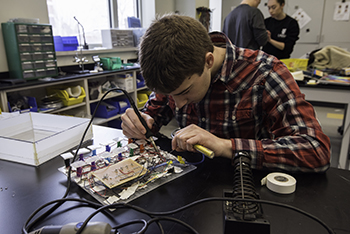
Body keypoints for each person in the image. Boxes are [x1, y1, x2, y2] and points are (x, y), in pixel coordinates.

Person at [121, 14, 330, 173]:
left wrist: (225, 146)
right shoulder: (177, 76)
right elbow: (154, 115)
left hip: (245, 186)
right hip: (191, 183)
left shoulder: (265, 73)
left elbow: (316, 150)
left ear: (208, 61)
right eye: (169, 95)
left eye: (184, 92)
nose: (178, 104)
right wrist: (142, 121)